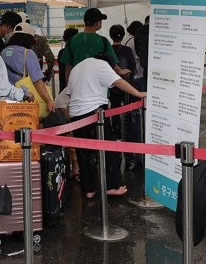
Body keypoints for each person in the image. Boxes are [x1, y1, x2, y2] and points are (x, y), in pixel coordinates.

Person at [57, 54, 147, 199]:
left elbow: (69, 92)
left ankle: (89, 189)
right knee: (109, 149)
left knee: (84, 153)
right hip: (94, 114)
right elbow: (118, 82)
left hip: (76, 116)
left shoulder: (77, 67)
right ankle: (112, 186)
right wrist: (138, 93)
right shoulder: (101, 65)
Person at [0, 22, 55, 113]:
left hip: (8, 99)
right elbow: (37, 81)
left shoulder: (3, 52)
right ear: (27, 39)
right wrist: (48, 100)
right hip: (24, 98)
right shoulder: (28, 53)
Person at [58, 8, 128, 80]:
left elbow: (68, 69)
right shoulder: (103, 41)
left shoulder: (71, 41)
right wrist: (121, 72)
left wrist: (69, 88)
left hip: (78, 86)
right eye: (100, 21)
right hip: (98, 87)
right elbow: (113, 64)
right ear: (96, 23)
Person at [110, 24, 142, 172]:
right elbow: (134, 70)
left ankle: (115, 140)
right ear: (123, 35)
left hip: (112, 88)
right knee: (129, 120)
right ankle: (129, 151)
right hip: (127, 89)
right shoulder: (127, 50)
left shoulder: (108, 51)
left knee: (114, 115)